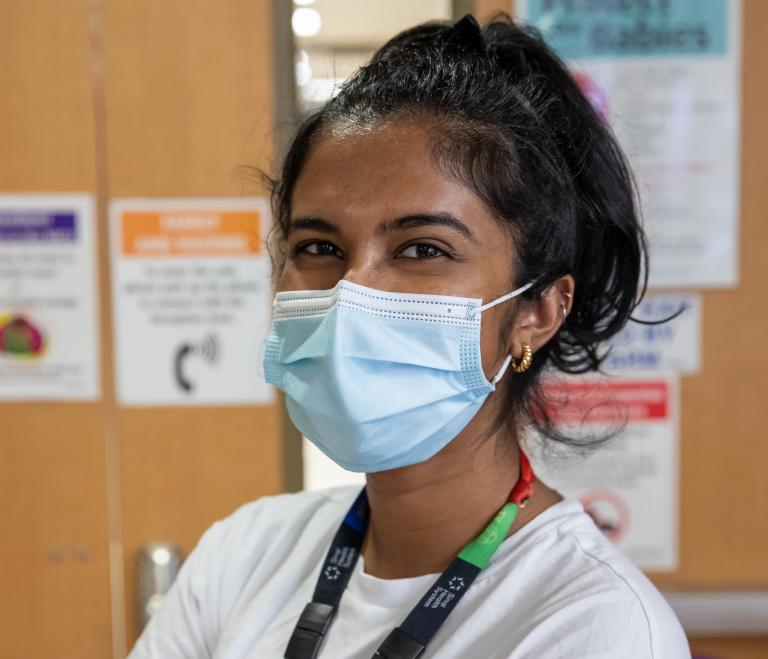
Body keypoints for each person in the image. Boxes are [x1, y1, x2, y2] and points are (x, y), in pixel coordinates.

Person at [129, 13, 690, 659]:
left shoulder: (595, 626)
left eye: (422, 248)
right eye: (318, 245)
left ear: (537, 309)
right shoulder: (245, 553)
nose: (350, 291)